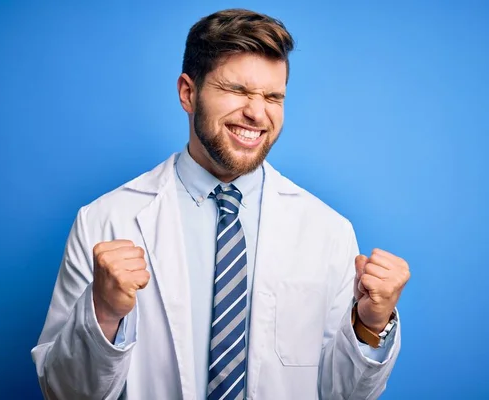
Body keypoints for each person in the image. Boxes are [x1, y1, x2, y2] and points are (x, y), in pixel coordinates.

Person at [31, 8, 410, 400]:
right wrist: (104, 313)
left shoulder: (328, 232)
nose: (256, 112)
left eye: (272, 97)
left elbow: (343, 395)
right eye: (237, 90)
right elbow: (64, 393)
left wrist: (369, 326)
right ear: (188, 93)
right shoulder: (104, 222)